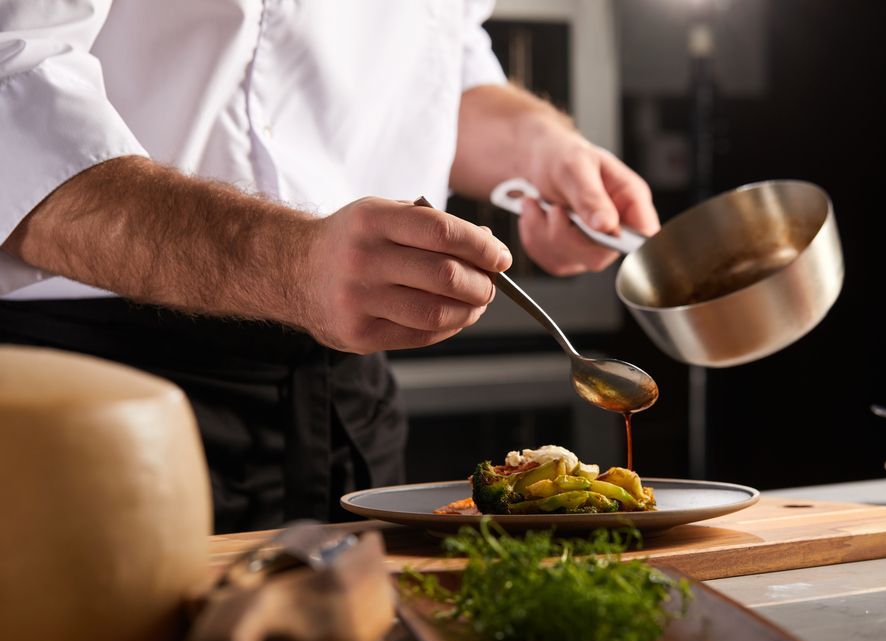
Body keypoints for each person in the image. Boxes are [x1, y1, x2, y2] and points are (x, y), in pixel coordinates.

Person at [0, 0, 660, 532]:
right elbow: (14, 90)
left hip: (348, 399)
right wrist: (285, 263)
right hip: (99, 399)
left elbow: (440, 62)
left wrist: (541, 149)